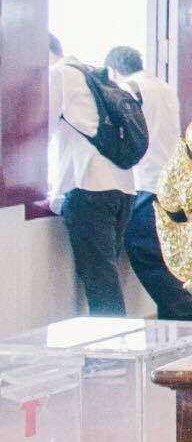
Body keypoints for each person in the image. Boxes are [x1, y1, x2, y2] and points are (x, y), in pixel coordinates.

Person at [105, 46, 192, 321]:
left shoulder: (129, 89)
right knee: (170, 255)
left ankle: (187, 313)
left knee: (145, 251)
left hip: (146, 181)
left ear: (113, 71)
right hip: (172, 182)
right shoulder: (164, 88)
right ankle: (181, 313)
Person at [48, 34, 137, 314]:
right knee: (106, 280)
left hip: (89, 187)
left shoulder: (58, 74)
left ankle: (111, 344)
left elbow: (41, 130)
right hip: (123, 187)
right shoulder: (93, 75)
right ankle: (114, 340)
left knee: (102, 285)